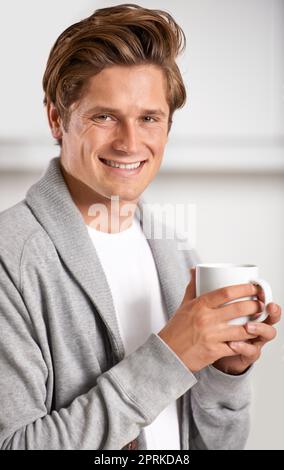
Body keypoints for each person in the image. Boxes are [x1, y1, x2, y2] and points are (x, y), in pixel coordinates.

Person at [0, 4, 281, 450]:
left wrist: (225, 376)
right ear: (57, 119)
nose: (130, 143)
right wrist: (172, 357)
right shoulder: (9, 259)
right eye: (104, 116)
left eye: (149, 118)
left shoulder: (177, 253)